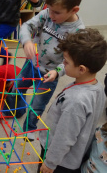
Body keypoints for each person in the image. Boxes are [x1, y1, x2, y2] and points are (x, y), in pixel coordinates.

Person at [3, 0, 85, 141]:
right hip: (31, 63)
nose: (51, 14)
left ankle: (29, 128)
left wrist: (58, 72)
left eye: (57, 12)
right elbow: (27, 26)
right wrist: (26, 41)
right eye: (49, 9)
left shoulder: (78, 31)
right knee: (16, 88)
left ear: (74, 9)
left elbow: (73, 60)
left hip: (50, 74)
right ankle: (16, 111)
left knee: (37, 104)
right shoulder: (47, 13)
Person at [38, 29, 107, 173]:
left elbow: (64, 138)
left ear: (81, 69)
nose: (62, 63)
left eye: (66, 61)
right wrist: (57, 71)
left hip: (60, 160)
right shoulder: (97, 87)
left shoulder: (75, 101)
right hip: (73, 156)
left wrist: (50, 163)